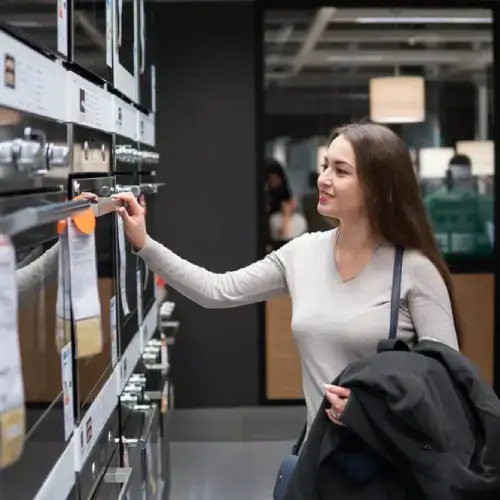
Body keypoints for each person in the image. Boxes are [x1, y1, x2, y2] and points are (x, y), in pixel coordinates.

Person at [113, 122, 460, 432]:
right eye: (325, 165)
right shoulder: (302, 253)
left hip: (391, 464)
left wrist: (374, 408)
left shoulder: (414, 269)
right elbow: (216, 290)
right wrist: (144, 243)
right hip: (322, 457)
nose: (323, 179)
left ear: (379, 187)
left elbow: (447, 380)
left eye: (341, 171)